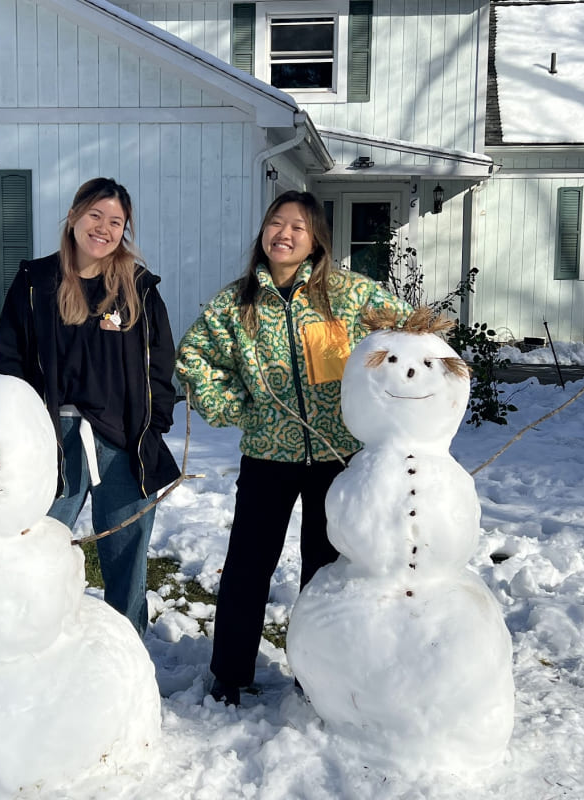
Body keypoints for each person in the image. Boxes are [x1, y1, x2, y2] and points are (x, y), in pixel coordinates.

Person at [175, 190, 411, 705]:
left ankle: (317, 673)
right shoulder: (236, 304)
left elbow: (409, 332)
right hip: (267, 457)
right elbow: (193, 357)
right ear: (263, 233)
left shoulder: (347, 295)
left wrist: (381, 408)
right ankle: (231, 673)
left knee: (325, 570)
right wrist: (239, 408)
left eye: (297, 227)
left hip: (337, 458)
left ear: (315, 240)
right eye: (275, 223)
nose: (283, 234)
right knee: (247, 567)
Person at [0, 177, 179, 637]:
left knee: (126, 558)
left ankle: (129, 661)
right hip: (52, 439)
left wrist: (154, 426)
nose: (104, 228)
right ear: (74, 216)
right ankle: (31, 643)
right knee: (37, 545)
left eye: (116, 221)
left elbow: (161, 362)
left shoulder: (137, 287)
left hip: (123, 442)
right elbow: (10, 359)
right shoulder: (36, 282)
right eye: (96, 215)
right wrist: (16, 427)